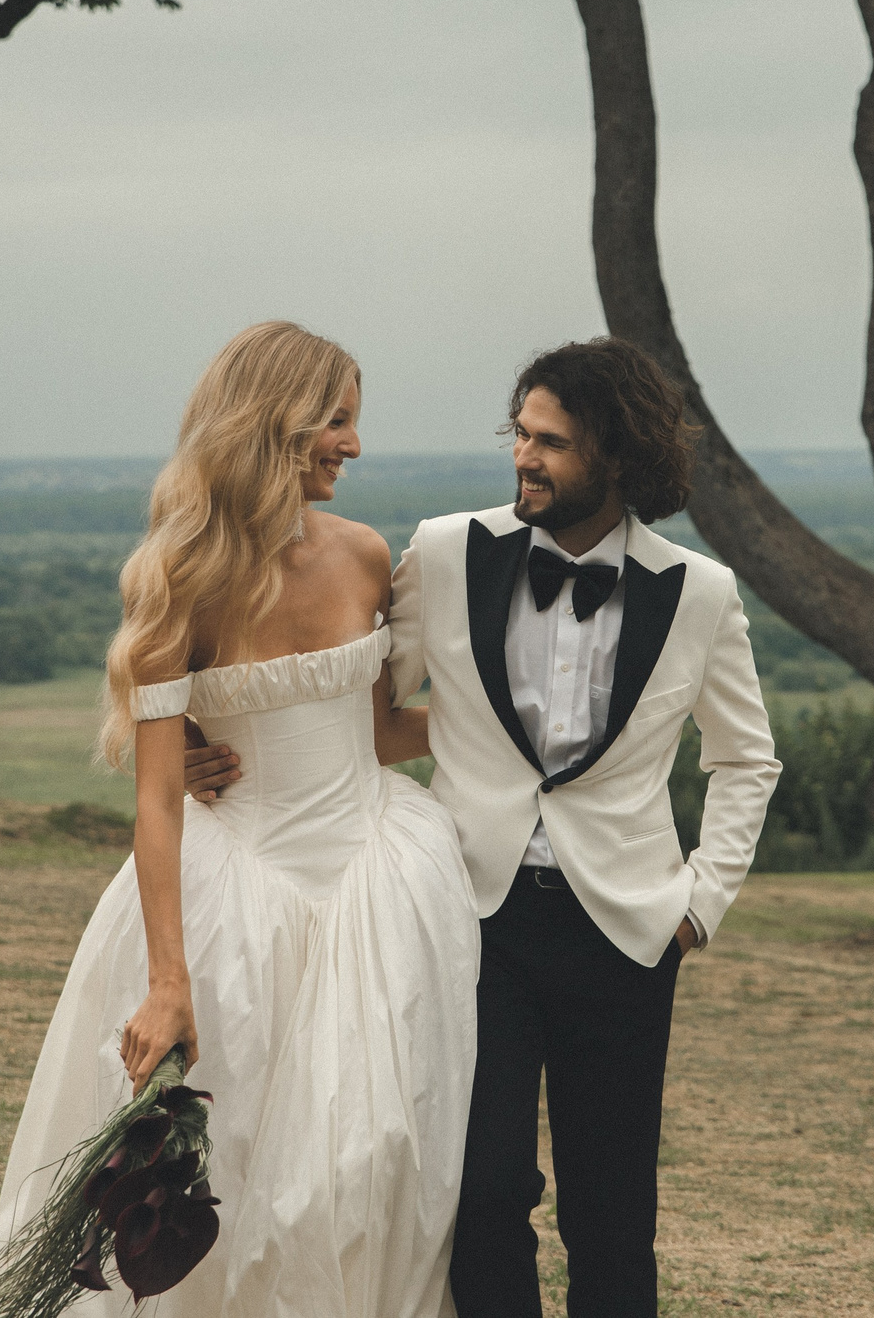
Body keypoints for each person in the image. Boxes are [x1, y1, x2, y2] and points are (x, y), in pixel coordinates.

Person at [187, 336, 781, 1317]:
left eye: (549, 442)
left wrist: (700, 904)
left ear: (618, 457)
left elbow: (745, 759)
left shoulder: (700, 595)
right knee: (481, 1189)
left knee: (612, 1215)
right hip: (471, 920)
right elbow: (361, 709)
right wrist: (220, 744)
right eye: (519, 433)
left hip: (628, 934)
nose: (523, 457)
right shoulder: (448, 551)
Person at [0, 321, 478, 1318]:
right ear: (277, 424)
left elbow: (377, 735)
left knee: (374, 1160)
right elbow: (158, 800)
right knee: (232, 1169)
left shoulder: (370, 557)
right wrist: (169, 983)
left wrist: (517, 725)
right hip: (234, 893)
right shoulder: (179, 581)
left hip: (379, 888)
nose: (355, 445)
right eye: (337, 420)